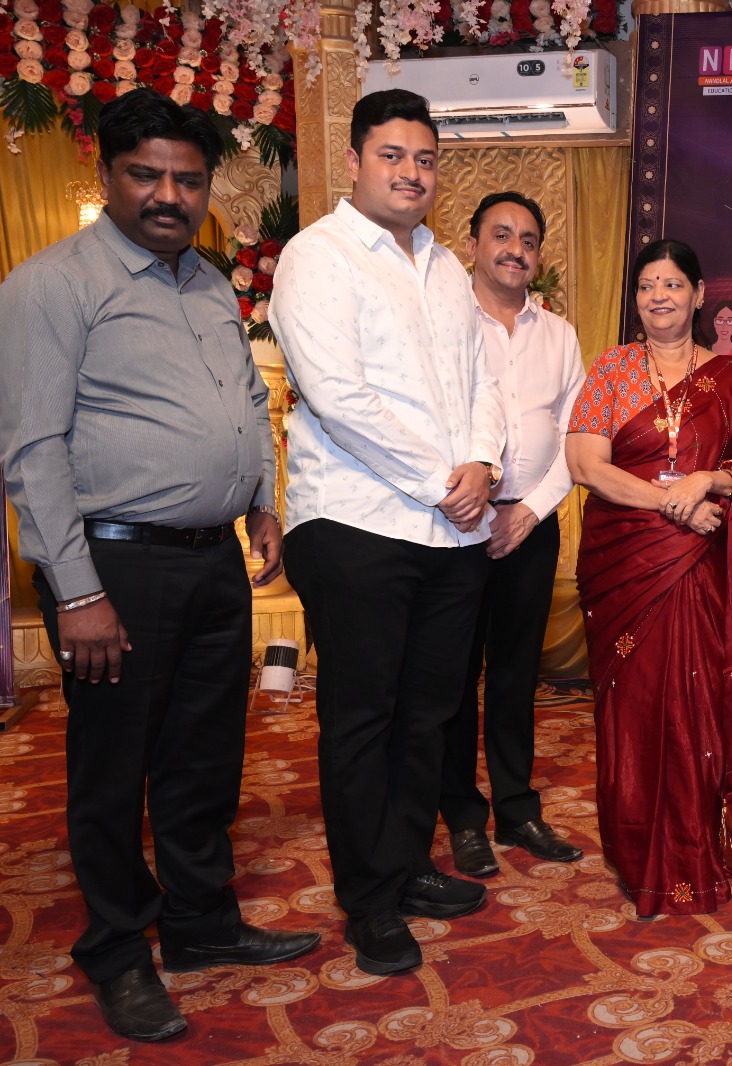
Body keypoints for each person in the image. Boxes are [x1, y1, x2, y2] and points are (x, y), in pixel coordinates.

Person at [0, 89, 320, 1042]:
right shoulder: (53, 285)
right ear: (106, 176)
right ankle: (115, 950)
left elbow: (241, 402)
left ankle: (199, 921)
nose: (169, 195)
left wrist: (262, 501)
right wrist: (76, 591)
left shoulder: (209, 283)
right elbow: (31, 450)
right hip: (115, 570)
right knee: (112, 771)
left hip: (215, 561)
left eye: (188, 178)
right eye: (146, 174)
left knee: (204, 757)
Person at [270, 89, 506, 975]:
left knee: (428, 714)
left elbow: (484, 380)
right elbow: (339, 396)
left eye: (425, 159)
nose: (412, 173)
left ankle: (405, 867)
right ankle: (368, 899)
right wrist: (443, 481)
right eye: (393, 156)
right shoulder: (318, 256)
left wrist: (482, 461)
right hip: (358, 522)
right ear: (355, 161)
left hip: (450, 533)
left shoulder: (444, 268)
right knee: (363, 718)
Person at [565, 239, 732, 917]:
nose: (659, 296)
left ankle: (694, 843)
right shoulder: (611, 368)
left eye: (673, 284)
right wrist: (672, 502)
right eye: (647, 285)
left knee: (700, 699)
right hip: (627, 564)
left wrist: (706, 481)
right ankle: (634, 847)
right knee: (635, 705)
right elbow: (586, 465)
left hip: (703, 563)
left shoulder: (731, 378)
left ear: (699, 294)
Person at [440, 191, 585, 880]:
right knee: (453, 676)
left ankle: (517, 810)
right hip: (455, 523)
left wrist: (528, 511)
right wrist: (473, 504)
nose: (514, 250)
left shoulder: (559, 335)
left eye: (528, 240)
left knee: (516, 674)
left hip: (531, 524)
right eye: (501, 235)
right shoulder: (443, 322)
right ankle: (463, 819)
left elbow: (576, 438)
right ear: (472, 244)